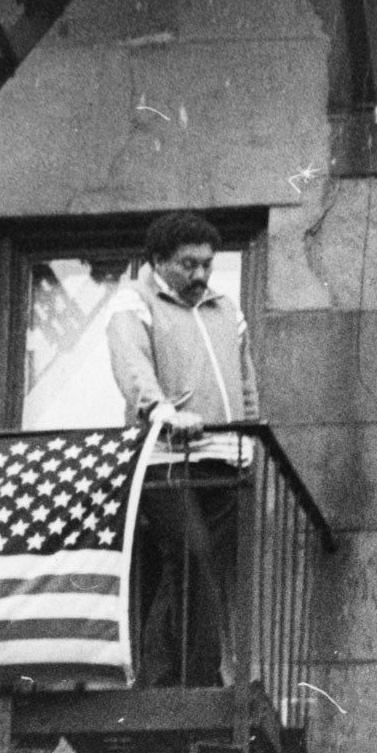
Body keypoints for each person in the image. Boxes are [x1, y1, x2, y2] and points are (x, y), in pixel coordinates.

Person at [107, 212, 260, 686]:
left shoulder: (225, 309)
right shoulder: (135, 301)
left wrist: (250, 434)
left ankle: (169, 677)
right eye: (187, 264)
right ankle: (190, 679)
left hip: (224, 457)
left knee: (199, 569)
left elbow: (246, 380)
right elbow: (131, 364)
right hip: (165, 457)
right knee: (190, 557)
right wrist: (160, 411)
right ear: (157, 262)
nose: (199, 276)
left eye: (206, 265)